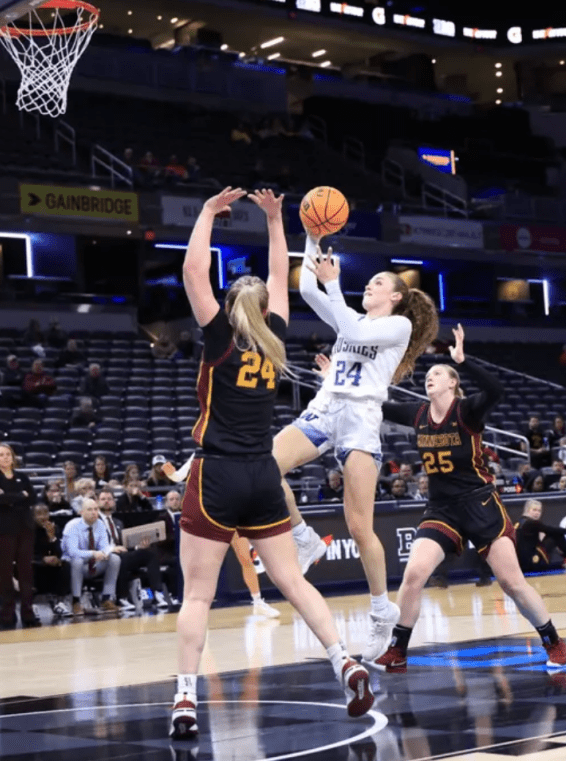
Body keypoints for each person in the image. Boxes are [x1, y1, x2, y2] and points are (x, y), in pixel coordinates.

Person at [170, 187, 374, 741]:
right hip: (263, 475)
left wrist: (209, 214)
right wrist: (277, 219)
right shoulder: (275, 338)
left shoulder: (218, 339)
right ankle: (343, 660)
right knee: (292, 581)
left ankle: (186, 699)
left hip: (217, 474)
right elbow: (280, 277)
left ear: (230, 305)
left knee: (197, 596)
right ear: (263, 308)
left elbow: (192, 272)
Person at [275, 230, 439, 665]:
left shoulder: (397, 325)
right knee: (263, 467)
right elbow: (307, 286)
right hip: (327, 408)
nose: (370, 285)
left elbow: (348, 328)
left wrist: (334, 284)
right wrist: (311, 235)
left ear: (397, 297)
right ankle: (302, 536)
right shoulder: (358, 321)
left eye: (379, 282)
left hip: (361, 421)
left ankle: (382, 610)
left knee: (359, 526)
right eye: (369, 282)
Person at [365, 326, 566, 673]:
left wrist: (464, 360)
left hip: (480, 504)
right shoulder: (418, 415)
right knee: (414, 574)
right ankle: (398, 650)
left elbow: (497, 390)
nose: (430, 377)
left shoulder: (467, 412)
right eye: (427, 374)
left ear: (453, 384)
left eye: (438, 373)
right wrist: (343, 383)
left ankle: (553, 640)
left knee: (512, 583)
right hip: (442, 509)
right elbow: (379, 405)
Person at [0, 444, 37, 627]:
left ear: (13, 458)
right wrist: (19, 496)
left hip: (25, 528)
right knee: (6, 573)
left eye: (8, 454)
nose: (6, 458)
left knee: (25, 572)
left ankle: (28, 613)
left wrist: (9, 496)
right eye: (1, 455)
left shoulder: (22, 477)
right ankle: (7, 614)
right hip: (4, 530)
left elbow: (33, 498)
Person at [60, 498, 121, 615]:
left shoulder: (100, 524)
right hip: (71, 567)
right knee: (77, 561)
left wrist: (107, 552)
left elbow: (104, 548)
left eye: (96, 509)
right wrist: (93, 553)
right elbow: (72, 552)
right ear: (81, 512)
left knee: (114, 558)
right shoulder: (72, 526)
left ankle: (106, 598)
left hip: (92, 565)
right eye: (89, 509)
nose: (94, 512)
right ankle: (76, 601)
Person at [515, 499, 566, 572]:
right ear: (527, 510)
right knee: (556, 535)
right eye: (534, 510)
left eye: (539, 511)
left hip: (521, 565)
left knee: (551, 535)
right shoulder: (532, 523)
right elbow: (551, 530)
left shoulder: (519, 522)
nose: (537, 513)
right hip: (534, 563)